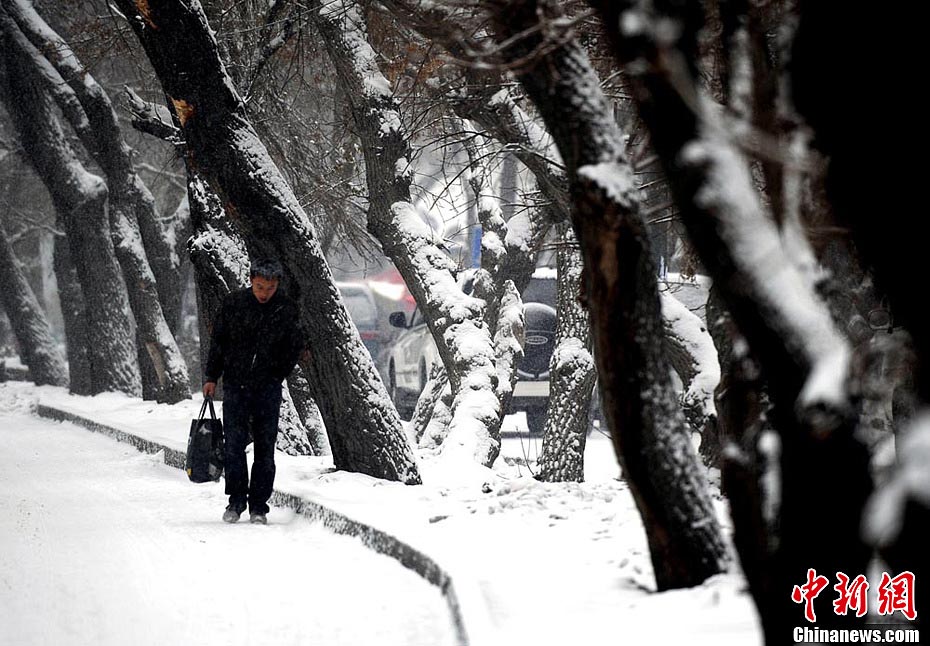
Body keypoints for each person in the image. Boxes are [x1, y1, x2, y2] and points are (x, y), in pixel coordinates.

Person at [203, 259, 305, 525]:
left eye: (270, 288)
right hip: (235, 386)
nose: (264, 293)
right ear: (251, 281)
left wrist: (276, 373)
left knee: (265, 447)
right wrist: (212, 376)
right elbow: (219, 342)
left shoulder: (285, 309)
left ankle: (259, 505)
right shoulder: (234, 304)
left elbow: (293, 346)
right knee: (234, 445)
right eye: (260, 287)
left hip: (267, 388)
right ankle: (235, 501)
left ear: (277, 285)